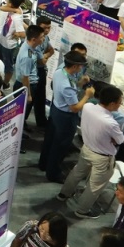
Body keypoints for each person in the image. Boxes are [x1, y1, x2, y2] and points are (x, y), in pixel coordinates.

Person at [59, 84, 124, 218]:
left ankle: (64, 194)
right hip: (102, 158)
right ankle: (82, 210)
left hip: (86, 149)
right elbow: (121, 140)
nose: (120, 105)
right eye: (119, 102)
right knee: (94, 186)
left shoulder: (88, 106)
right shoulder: (110, 122)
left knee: (77, 173)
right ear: (112, 104)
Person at [38, 51, 93, 183]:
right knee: (60, 146)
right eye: (80, 66)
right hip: (65, 117)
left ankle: (44, 164)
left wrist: (80, 83)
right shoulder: (66, 85)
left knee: (50, 140)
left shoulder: (60, 72)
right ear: (74, 66)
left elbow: (71, 89)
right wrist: (87, 95)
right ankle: (53, 173)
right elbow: (75, 107)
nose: (81, 68)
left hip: (56, 111)